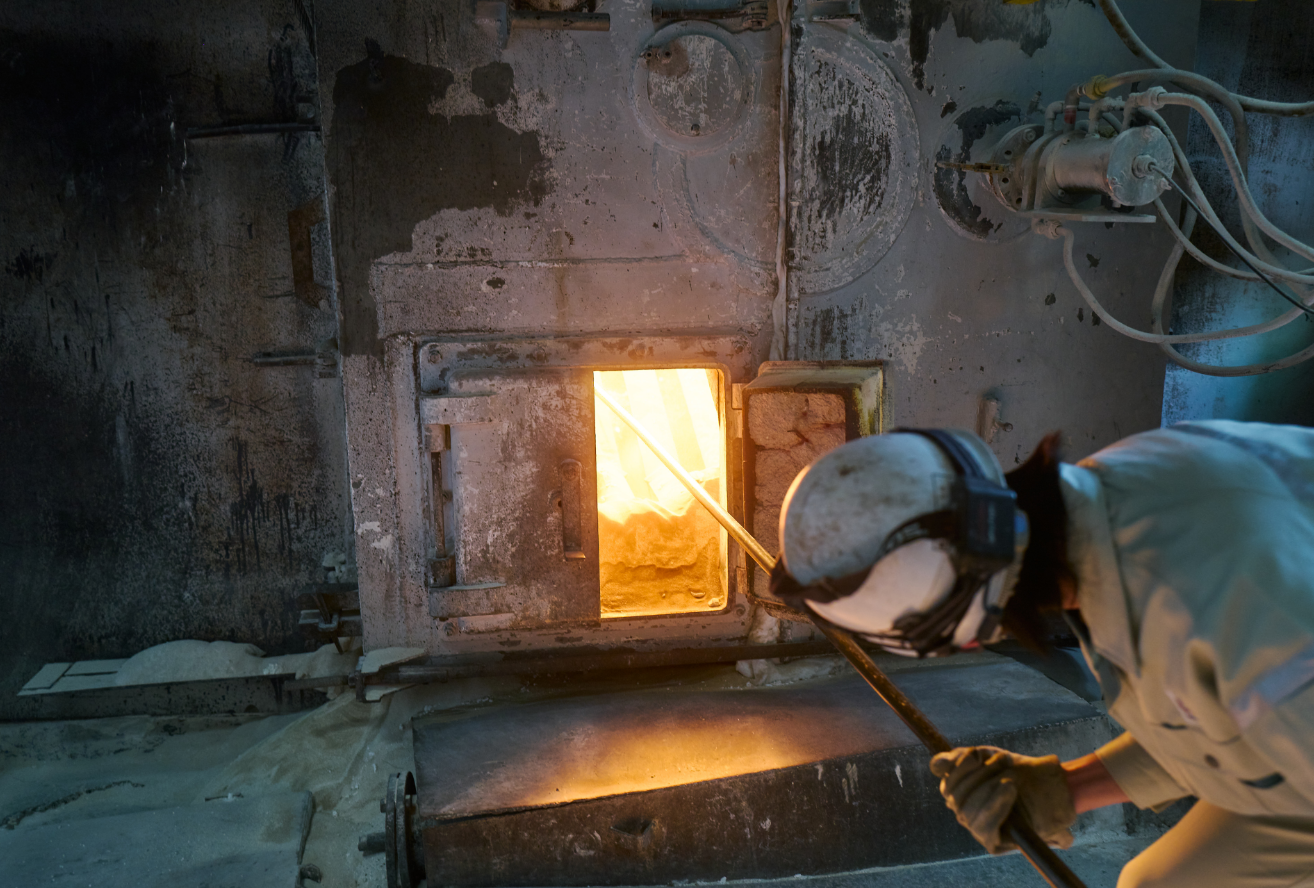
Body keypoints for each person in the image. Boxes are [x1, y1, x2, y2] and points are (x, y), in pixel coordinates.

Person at [769, 422, 1314, 888]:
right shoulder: (1110, 498)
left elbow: (1244, 684)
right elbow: (1216, 725)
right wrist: (1064, 789)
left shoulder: (1212, 617)